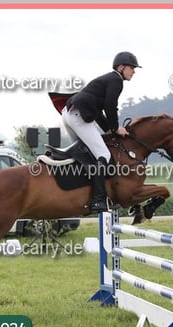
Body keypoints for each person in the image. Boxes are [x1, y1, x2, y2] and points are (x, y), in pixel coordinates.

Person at [61, 51, 141, 213]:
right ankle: (98, 200)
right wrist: (116, 127)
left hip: (68, 114)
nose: (134, 71)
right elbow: (110, 106)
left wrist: (109, 129)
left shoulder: (107, 80)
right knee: (103, 154)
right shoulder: (116, 80)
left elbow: (98, 111)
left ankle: (80, 189)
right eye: (132, 68)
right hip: (78, 116)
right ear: (121, 67)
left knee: (85, 152)